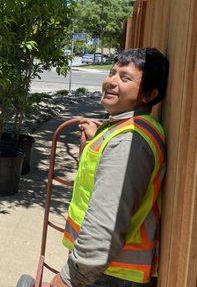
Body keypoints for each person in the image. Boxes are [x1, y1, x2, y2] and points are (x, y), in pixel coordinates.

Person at [50, 47, 169, 287]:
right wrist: (96, 137)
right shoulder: (127, 128)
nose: (110, 82)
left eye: (125, 78)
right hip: (106, 269)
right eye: (112, 73)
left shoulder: (128, 142)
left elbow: (106, 224)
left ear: (148, 94)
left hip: (109, 273)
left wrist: (70, 278)